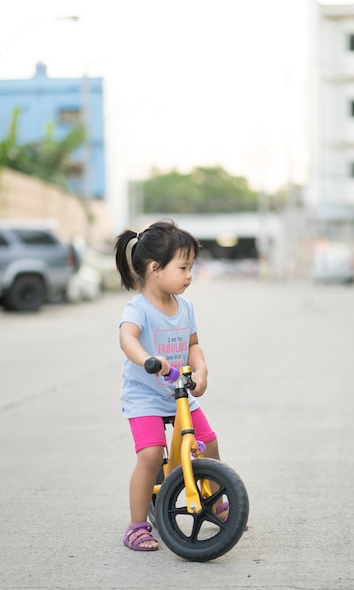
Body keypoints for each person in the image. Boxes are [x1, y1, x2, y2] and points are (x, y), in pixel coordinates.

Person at [114, 219, 225, 552]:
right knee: (150, 455)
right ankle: (136, 525)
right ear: (155, 269)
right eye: (184, 267)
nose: (190, 274)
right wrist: (147, 358)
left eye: (191, 267)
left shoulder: (186, 306)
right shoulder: (139, 308)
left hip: (178, 392)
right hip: (145, 395)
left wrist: (201, 369)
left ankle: (219, 500)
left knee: (209, 443)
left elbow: (194, 344)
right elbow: (126, 338)